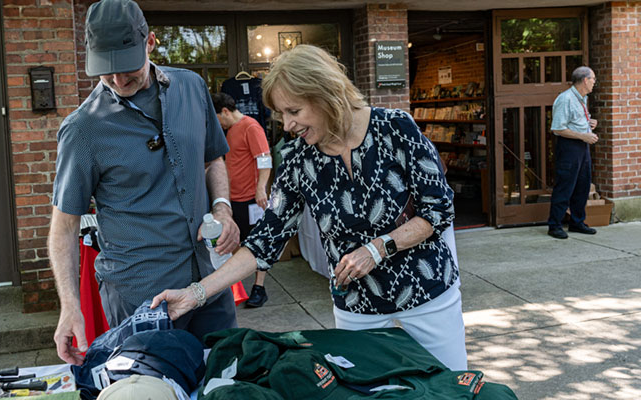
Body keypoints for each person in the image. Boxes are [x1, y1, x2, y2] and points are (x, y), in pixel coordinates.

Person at [153, 45, 467, 370]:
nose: (287, 125)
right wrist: (194, 294)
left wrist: (376, 248)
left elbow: (438, 209)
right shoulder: (297, 159)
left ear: (325, 94)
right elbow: (265, 239)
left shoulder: (396, 128)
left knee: (451, 386)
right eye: (281, 114)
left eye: (294, 111)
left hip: (426, 289)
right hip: (357, 305)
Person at [48, 0, 240, 365]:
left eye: (128, 70)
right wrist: (70, 307)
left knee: (225, 376)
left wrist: (222, 208)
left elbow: (213, 157)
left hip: (208, 284)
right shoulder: (82, 129)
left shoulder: (192, 86)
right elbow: (64, 228)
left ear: (150, 43)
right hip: (141, 297)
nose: (119, 81)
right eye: (107, 72)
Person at [211, 92, 271, 308]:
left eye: (217, 117)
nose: (217, 123)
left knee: (257, 243)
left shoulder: (251, 127)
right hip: (233, 197)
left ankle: (259, 288)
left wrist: (260, 189)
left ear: (225, 111)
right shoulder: (231, 130)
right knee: (233, 242)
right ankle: (233, 286)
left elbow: (265, 159)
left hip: (250, 199)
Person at [547, 66, 599, 239]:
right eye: (593, 79)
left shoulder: (581, 99)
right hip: (569, 147)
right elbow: (557, 128)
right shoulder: (566, 99)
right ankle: (555, 225)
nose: (594, 83)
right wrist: (583, 135)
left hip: (582, 147)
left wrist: (588, 123)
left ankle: (577, 222)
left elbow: (573, 121)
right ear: (585, 80)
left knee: (582, 186)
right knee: (565, 185)